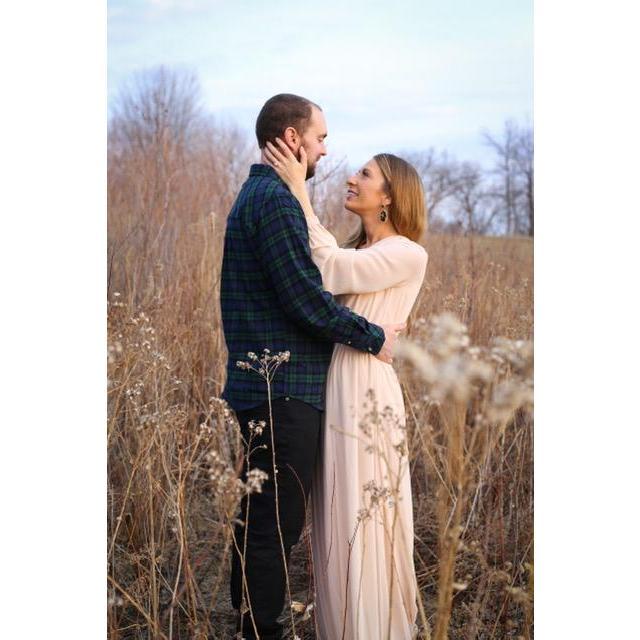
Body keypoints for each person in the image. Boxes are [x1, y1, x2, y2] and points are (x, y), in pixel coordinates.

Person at [220, 93, 405, 640]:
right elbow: (304, 297)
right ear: (294, 139)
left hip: (270, 383)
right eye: (320, 137)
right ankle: (262, 629)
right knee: (276, 519)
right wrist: (373, 337)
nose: (326, 150)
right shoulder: (273, 202)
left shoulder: (267, 196)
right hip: (282, 386)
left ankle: (250, 619)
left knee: (261, 511)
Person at [264, 138, 428, 639]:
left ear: (389, 197)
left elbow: (329, 269)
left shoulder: (407, 253)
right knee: (334, 511)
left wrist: (299, 191)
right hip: (335, 382)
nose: (351, 179)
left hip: (366, 392)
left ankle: (372, 627)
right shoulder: (362, 248)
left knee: (365, 509)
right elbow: (332, 265)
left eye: (364, 174)